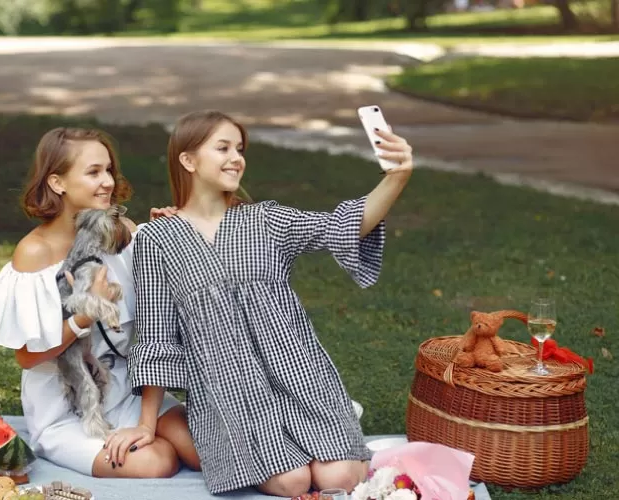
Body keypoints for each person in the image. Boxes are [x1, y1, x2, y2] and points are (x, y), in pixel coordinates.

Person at [117, 110, 414, 497]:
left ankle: (332, 422)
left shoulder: (266, 220)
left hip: (300, 375)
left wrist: (397, 177)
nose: (236, 157)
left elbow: (342, 226)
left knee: (338, 478)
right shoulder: (158, 239)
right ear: (188, 160)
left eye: (239, 148)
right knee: (292, 483)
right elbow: (156, 336)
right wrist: (146, 422)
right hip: (232, 389)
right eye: (222, 147)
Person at [0, 127, 200, 478]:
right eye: (93, 172)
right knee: (158, 460)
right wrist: (85, 316)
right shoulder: (34, 253)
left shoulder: (123, 233)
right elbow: (27, 357)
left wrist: (164, 242)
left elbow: (168, 306)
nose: (107, 181)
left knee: (206, 452)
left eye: (108, 170)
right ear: (57, 183)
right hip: (65, 411)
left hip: (127, 391)